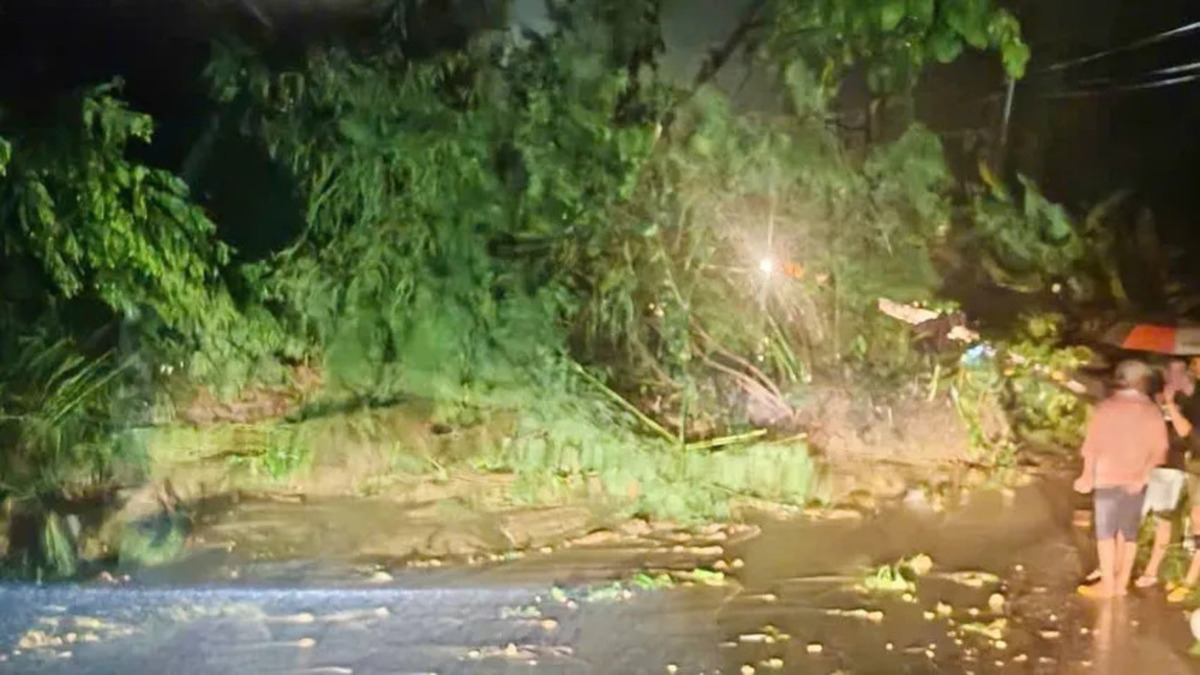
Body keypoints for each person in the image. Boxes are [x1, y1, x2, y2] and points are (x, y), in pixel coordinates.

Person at [1074, 359, 1169, 599]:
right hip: (1136, 481)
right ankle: (1121, 583)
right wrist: (1143, 475)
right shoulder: (1152, 411)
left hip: (1106, 478)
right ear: (1142, 382)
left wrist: (1086, 475)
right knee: (1129, 534)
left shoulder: (1105, 408)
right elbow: (1160, 450)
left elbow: (1091, 446)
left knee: (1105, 533)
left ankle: (1107, 584)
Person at [1131, 358, 1200, 587]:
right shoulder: (1156, 395)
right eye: (1171, 371)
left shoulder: (1189, 400)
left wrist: (1170, 405)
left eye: (1180, 371)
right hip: (1146, 463)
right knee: (1132, 515)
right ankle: (1115, 567)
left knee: (1165, 518)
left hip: (1172, 465)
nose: (1174, 376)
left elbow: (1187, 435)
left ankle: (1155, 572)